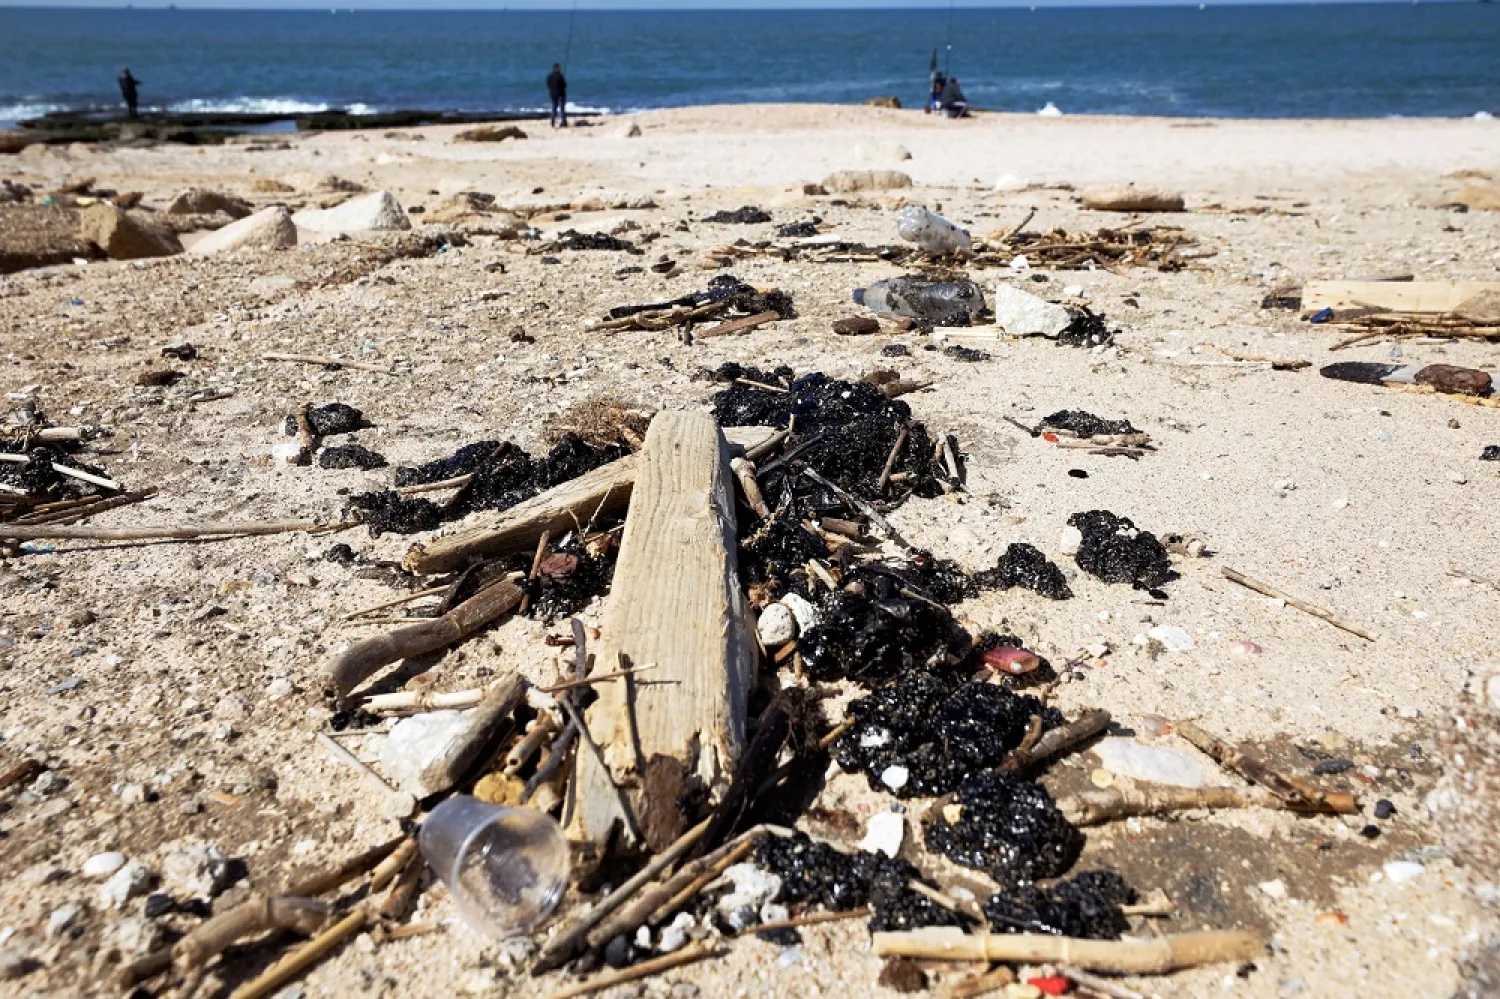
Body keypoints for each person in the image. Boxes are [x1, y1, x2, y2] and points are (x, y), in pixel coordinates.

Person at [546, 63, 567, 129]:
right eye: (559, 68)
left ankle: (553, 120)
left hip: (553, 94)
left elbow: (548, 84)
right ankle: (563, 122)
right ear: (557, 68)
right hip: (561, 94)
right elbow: (564, 85)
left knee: (554, 107)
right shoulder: (560, 76)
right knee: (562, 108)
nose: (560, 69)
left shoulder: (550, 76)